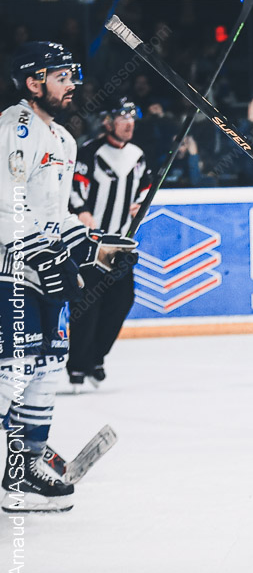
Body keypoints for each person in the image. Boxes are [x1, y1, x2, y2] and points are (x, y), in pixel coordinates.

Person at [1, 42, 135, 513]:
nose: (71, 84)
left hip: (45, 272)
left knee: (47, 368)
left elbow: (57, 217)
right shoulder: (16, 127)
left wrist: (97, 250)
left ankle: (23, 471)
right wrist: (43, 255)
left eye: (72, 75)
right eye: (61, 77)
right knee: (14, 371)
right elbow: (7, 205)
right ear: (33, 82)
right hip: (13, 270)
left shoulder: (62, 139)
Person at [67, 98, 151, 389]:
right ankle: (77, 364)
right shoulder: (90, 151)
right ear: (107, 121)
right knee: (88, 304)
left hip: (121, 245)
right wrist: (82, 213)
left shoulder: (138, 155)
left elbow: (144, 189)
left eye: (132, 117)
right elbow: (75, 189)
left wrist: (140, 205)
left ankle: (96, 357)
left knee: (121, 301)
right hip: (91, 245)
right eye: (122, 117)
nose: (129, 123)